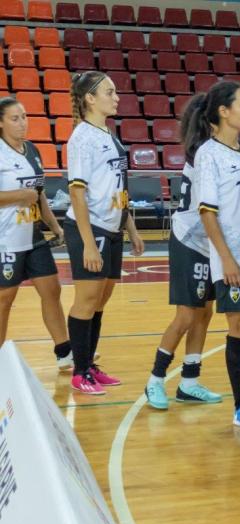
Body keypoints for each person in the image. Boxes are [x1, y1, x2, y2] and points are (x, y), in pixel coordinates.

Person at [65, 71, 144, 395]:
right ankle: (79, 370)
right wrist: (88, 244)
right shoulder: (81, 138)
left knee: (100, 301)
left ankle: (89, 366)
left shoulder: (109, 135)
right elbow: (77, 193)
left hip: (113, 228)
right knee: (85, 300)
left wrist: (132, 229)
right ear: (90, 99)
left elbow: (118, 187)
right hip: (91, 228)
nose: (116, 97)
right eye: (109, 92)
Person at [144, 95, 222, 410]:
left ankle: (189, 381)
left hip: (208, 240)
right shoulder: (206, 154)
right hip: (191, 238)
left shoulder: (210, 150)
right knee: (187, 313)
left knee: (205, 312)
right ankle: (155, 379)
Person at [194, 81, 240, 430]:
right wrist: (227, 259)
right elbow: (207, 212)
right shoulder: (209, 154)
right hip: (232, 256)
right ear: (223, 111)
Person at [0, 97, 71, 369]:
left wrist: (55, 226)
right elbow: (26, 194)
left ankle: (64, 351)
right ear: (1, 123)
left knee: (52, 290)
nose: (22, 123)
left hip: (34, 236)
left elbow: (39, 196)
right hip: (6, 239)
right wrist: (20, 194)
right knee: (5, 300)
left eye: (24, 117)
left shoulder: (32, 150)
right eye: (14, 119)